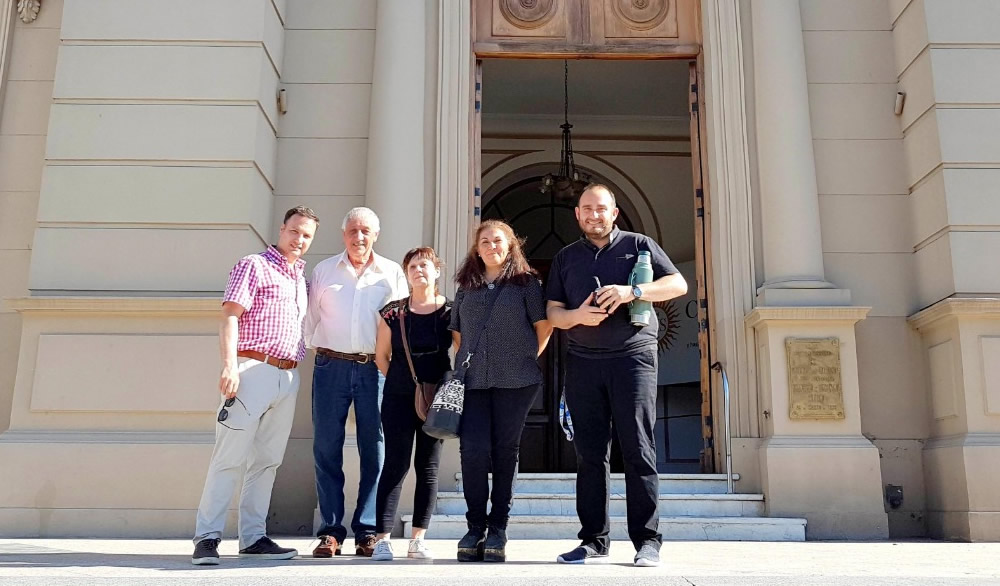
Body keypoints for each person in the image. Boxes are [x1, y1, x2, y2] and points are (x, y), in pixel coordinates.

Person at [546, 184, 687, 568]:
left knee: (638, 448)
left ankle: (647, 540)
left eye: (601, 208)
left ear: (614, 212)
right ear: (577, 214)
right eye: (587, 209)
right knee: (590, 454)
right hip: (582, 361)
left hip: (633, 359)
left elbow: (678, 283)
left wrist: (632, 291)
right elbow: (553, 313)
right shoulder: (565, 258)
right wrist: (577, 316)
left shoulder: (640, 244)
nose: (594, 215)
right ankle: (593, 540)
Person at [191, 206, 319, 565]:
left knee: (266, 462)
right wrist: (230, 366)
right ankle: (207, 537)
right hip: (251, 369)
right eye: (295, 231)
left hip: (288, 375)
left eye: (307, 236)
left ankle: (253, 538)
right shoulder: (253, 265)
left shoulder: (300, 279)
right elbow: (230, 315)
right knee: (228, 457)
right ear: (282, 229)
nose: (299, 240)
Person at [304, 207, 408, 558]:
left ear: (376, 234)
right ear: (343, 233)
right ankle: (331, 531)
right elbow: (311, 319)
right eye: (352, 230)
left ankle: (367, 530)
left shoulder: (392, 273)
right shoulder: (323, 270)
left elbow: (401, 325)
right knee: (325, 447)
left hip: (374, 369)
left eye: (365, 231)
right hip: (330, 365)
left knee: (374, 449)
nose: (359, 237)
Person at [450, 219, 552, 563]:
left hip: (518, 381)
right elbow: (458, 336)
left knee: (505, 451)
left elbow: (543, 327)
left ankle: (498, 529)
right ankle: (475, 527)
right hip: (474, 382)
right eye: (485, 242)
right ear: (476, 249)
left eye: (498, 241)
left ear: (510, 246)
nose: (491, 247)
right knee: (473, 451)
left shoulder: (527, 284)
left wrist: (521, 358)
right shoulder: (466, 286)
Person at [370, 247, 458, 562]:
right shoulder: (393, 313)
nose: (418, 270)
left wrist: (445, 391)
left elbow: (460, 353)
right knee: (395, 465)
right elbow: (382, 357)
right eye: (412, 266)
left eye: (424, 265)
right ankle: (382, 539)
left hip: (438, 401)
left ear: (436, 271)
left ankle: (418, 539)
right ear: (406, 274)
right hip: (397, 397)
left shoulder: (451, 311)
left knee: (429, 468)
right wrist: (405, 383)